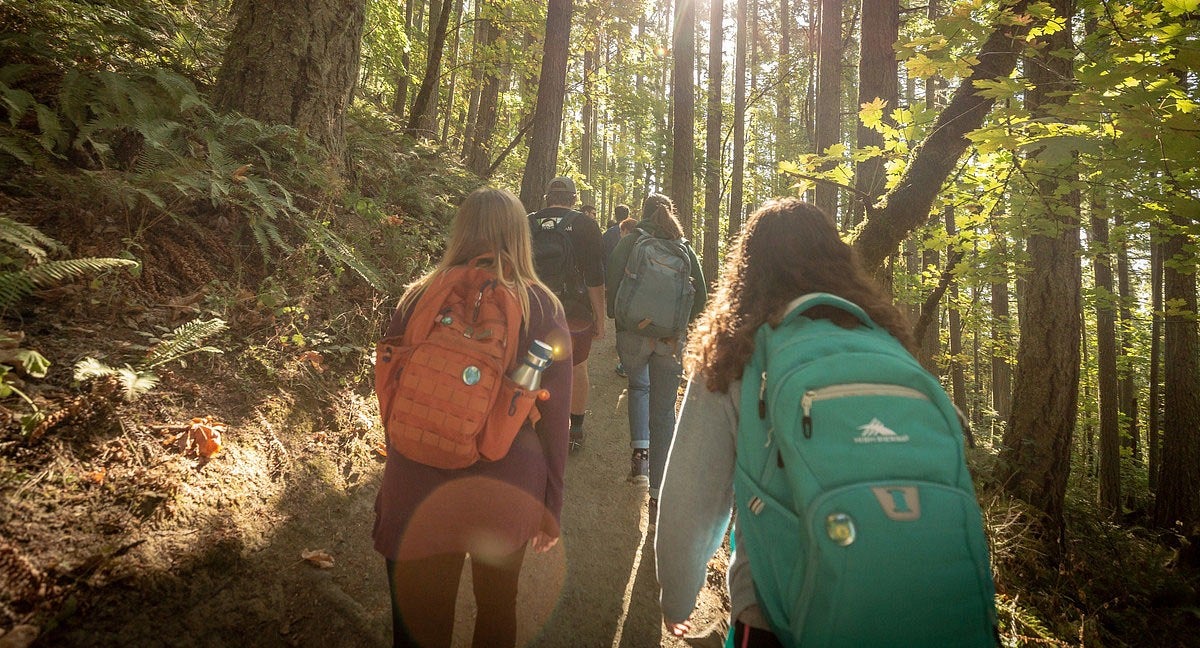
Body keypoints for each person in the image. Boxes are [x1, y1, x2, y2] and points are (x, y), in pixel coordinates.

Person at [654, 198, 916, 646]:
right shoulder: (886, 341)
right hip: (904, 601)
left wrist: (677, 599)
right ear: (838, 260)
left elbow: (691, 498)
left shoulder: (736, 349)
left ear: (748, 268)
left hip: (778, 612)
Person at [374, 187, 572, 648]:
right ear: (521, 237)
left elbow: (392, 392)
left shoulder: (417, 298)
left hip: (417, 486)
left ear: (459, 231)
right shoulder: (541, 306)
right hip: (505, 488)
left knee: (418, 626)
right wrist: (551, 505)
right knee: (497, 609)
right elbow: (556, 420)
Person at [605, 193, 706, 498]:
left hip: (634, 335)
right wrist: (679, 326)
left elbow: (613, 283)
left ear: (643, 213)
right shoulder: (685, 248)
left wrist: (618, 318)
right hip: (670, 341)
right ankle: (659, 485)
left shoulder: (631, 240)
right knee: (663, 411)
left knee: (638, 390)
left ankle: (640, 467)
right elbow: (700, 298)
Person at [529, 177, 606, 452]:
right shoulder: (585, 225)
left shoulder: (528, 222)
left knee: (534, 364)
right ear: (573, 199)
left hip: (534, 308)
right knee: (577, 366)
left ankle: (532, 422)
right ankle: (576, 429)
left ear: (548, 197)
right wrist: (600, 316)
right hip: (574, 311)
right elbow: (595, 275)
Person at [600, 203, 631, 271]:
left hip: (610, 271)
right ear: (628, 216)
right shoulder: (633, 233)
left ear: (615, 216)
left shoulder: (607, 234)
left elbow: (602, 255)